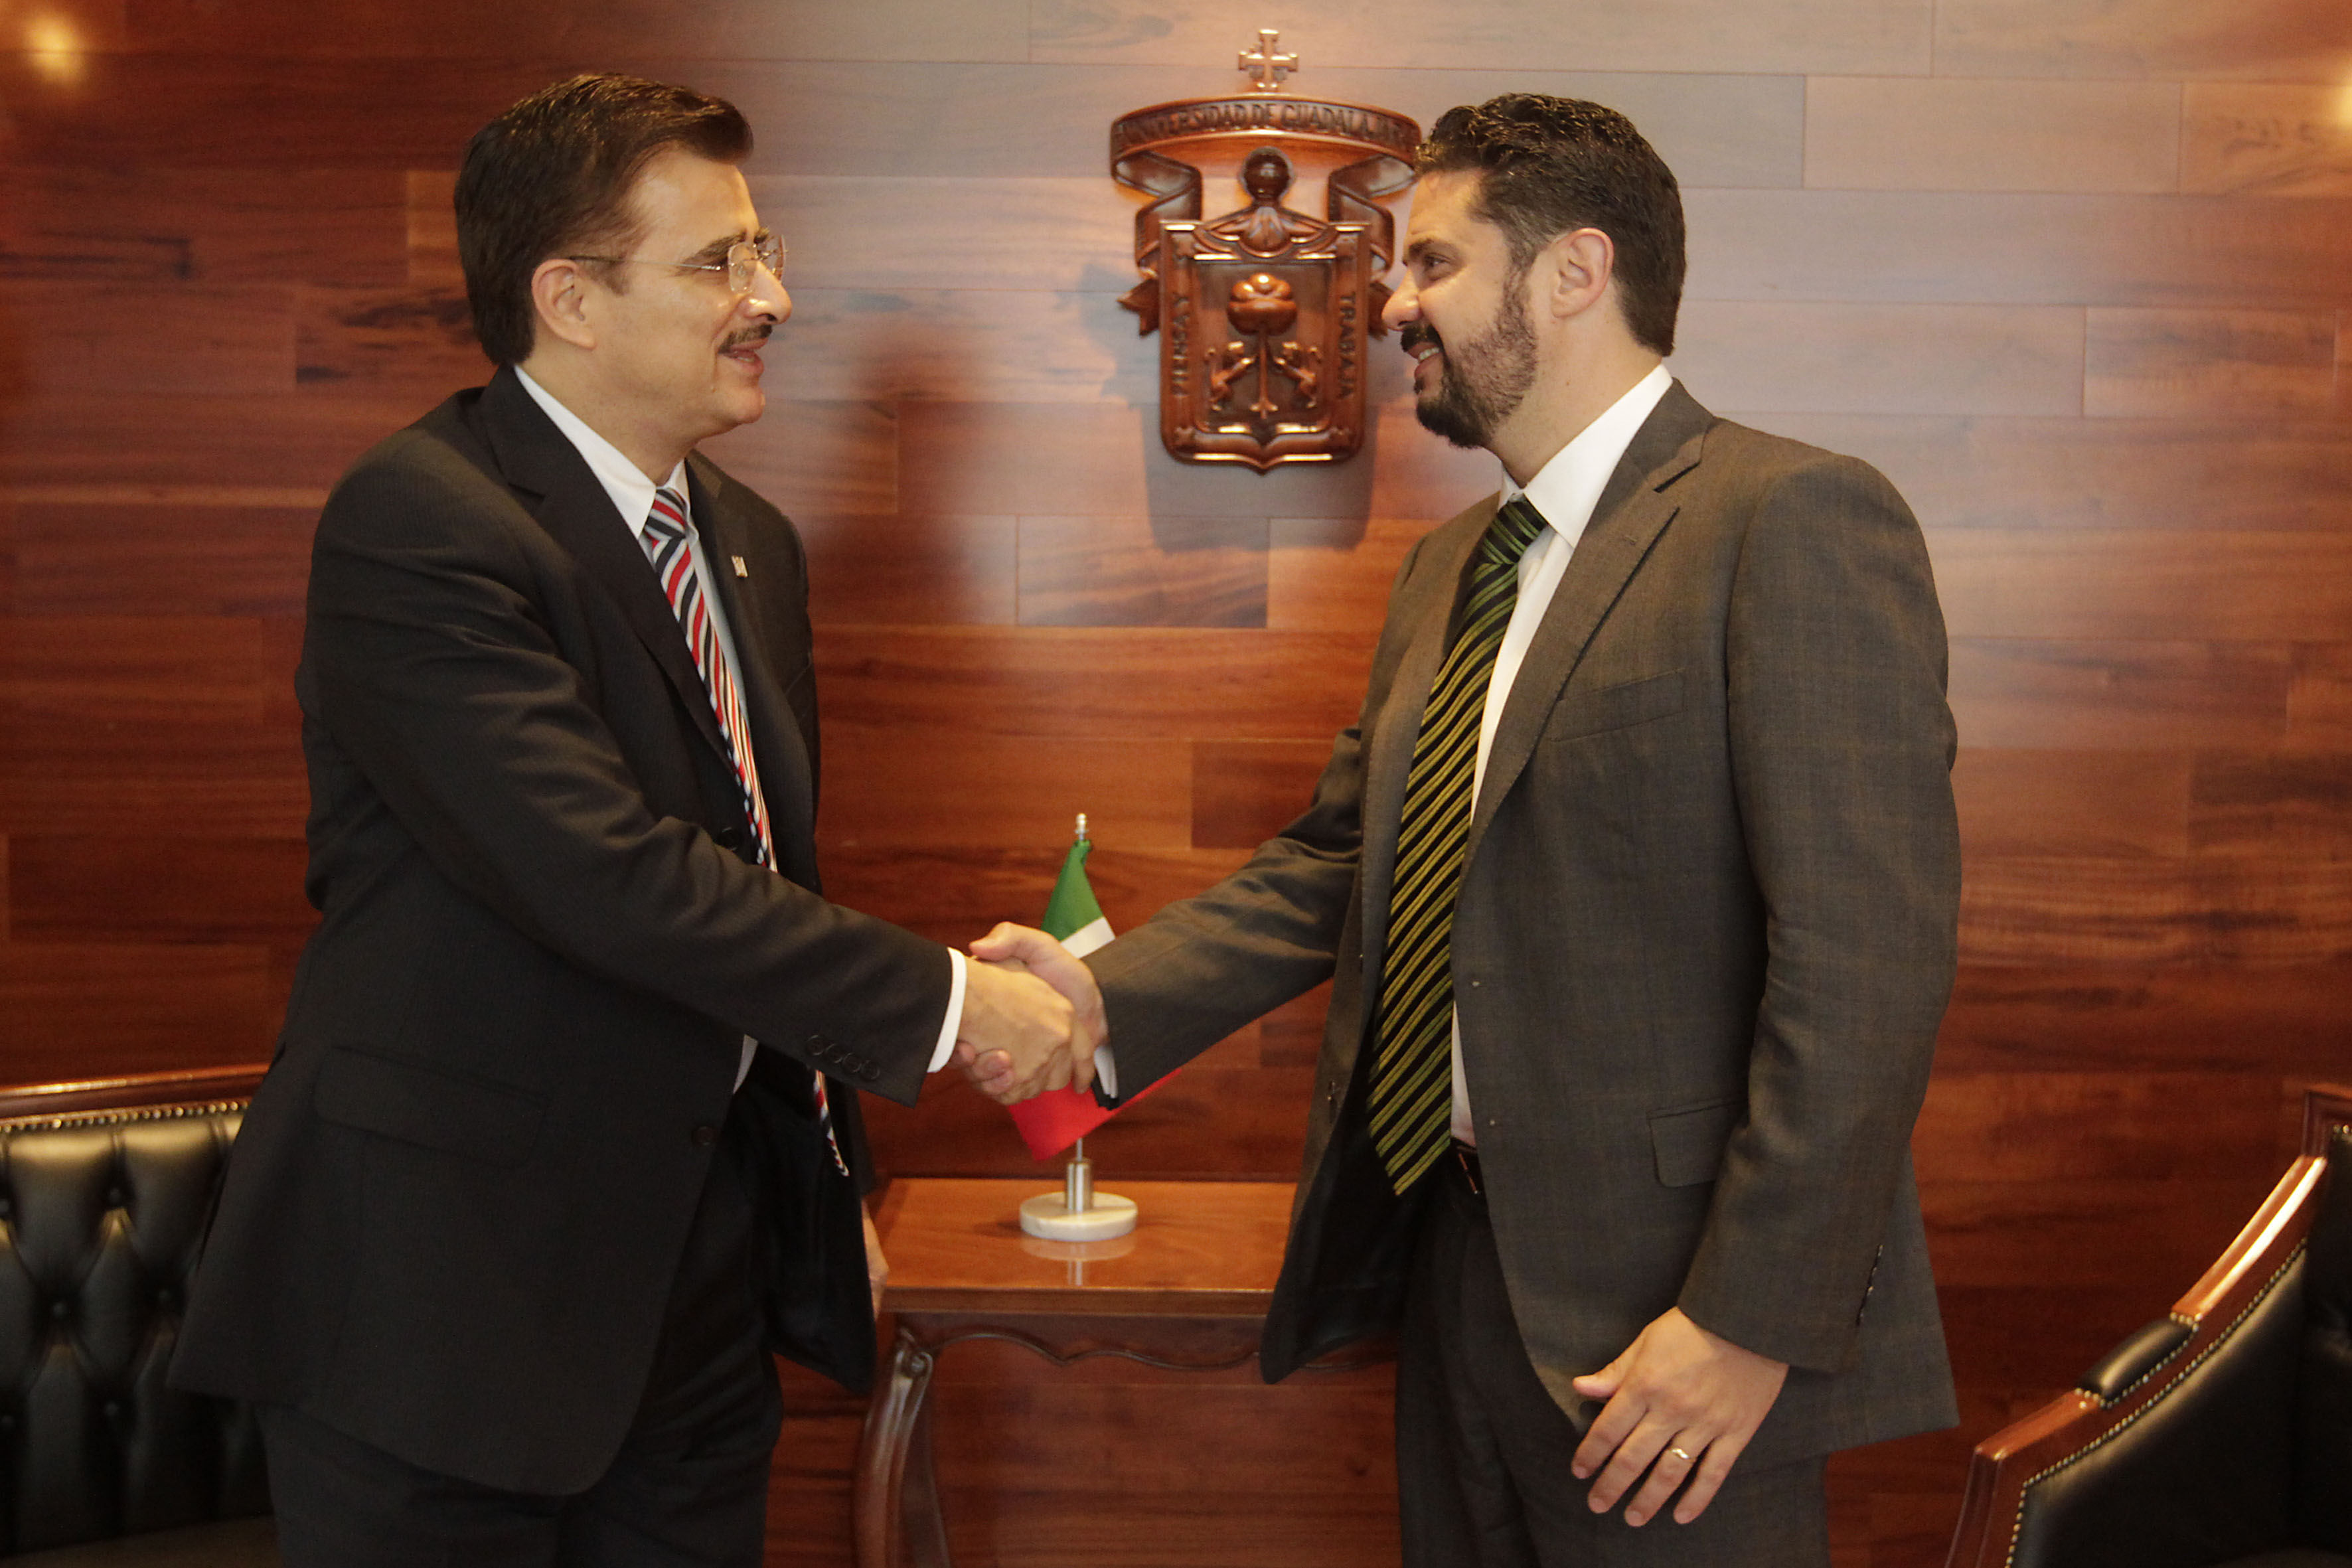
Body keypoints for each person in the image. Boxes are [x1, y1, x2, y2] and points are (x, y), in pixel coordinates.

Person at [977, 94, 1960, 1567]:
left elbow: (1864, 968)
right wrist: (1097, 995)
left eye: (1432, 262)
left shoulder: (1791, 518)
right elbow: (1345, 863)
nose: (1393, 304)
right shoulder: (1453, 565)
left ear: (1574, 271)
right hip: (1454, 1270)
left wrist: (1745, 1321)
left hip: (1675, 1330)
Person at [170, 74, 1090, 1568]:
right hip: (440, 1308)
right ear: (570, 300)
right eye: (719, 260)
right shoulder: (422, 521)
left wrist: (825, 1188)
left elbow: (764, 870)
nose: (771, 295)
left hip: (690, 1300)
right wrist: (949, 1003)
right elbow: (610, 876)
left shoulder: (749, 540)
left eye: (763, 249)